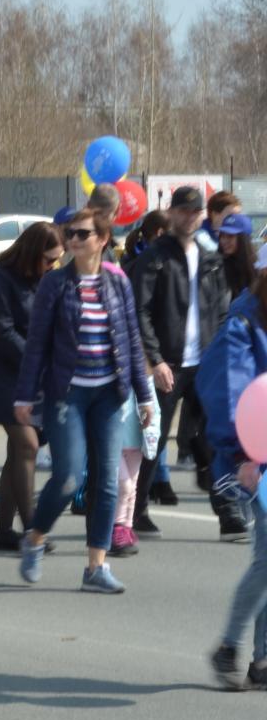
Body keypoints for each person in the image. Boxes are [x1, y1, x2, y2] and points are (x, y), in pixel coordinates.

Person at [14, 206, 158, 594]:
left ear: (102, 239)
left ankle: (96, 566)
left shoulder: (118, 283)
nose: (73, 240)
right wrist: (25, 395)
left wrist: (145, 397)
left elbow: (130, 340)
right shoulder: (55, 284)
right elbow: (37, 345)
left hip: (110, 393)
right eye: (70, 234)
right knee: (68, 477)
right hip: (68, 393)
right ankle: (35, 538)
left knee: (107, 481)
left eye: (82, 234)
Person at [131, 186, 244, 539]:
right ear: (171, 213)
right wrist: (155, 359)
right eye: (182, 211)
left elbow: (222, 311)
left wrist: (222, 355)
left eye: (194, 212)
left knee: (215, 439)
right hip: (169, 364)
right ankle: (136, 511)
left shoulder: (210, 258)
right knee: (154, 439)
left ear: (203, 216)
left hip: (204, 364)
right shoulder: (155, 257)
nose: (188, 217)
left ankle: (228, 514)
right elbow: (140, 310)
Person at [198, 260, 267, 689]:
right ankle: (229, 648)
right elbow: (228, 389)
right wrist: (244, 452)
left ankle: (261, 661)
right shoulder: (243, 322)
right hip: (252, 456)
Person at [0, 221, 64, 552]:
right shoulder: (0, 277)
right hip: (5, 372)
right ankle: (33, 529)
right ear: (31, 253)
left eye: (57, 259)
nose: (53, 266)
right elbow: (2, 331)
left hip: (37, 374)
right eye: (48, 259)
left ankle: (3, 531)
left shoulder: (50, 280)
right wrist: (37, 363)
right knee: (26, 445)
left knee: (18, 454)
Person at [218, 213, 257, 301]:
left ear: (243, 239)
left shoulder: (258, 267)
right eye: (222, 235)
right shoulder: (216, 266)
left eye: (230, 236)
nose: (224, 241)